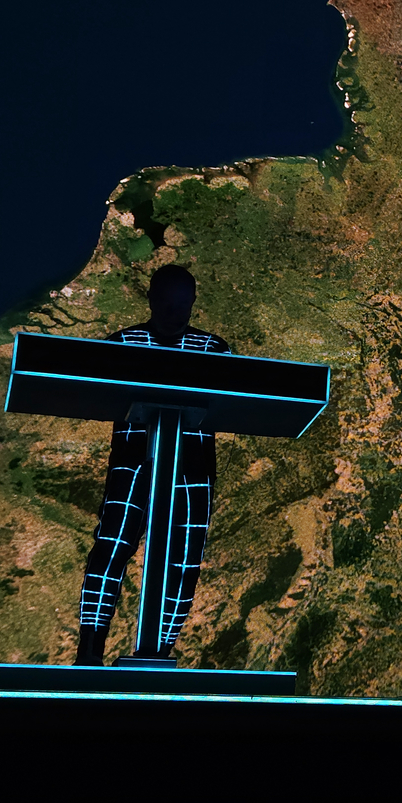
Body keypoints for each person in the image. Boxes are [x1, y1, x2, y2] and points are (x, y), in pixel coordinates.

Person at [74, 264, 233, 666]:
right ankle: (89, 652)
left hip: (193, 471)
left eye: (181, 303)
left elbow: (234, 402)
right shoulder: (124, 344)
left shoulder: (214, 351)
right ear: (150, 299)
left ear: (193, 302)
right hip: (133, 463)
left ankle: (159, 655)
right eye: (166, 302)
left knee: (184, 561)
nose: (173, 311)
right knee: (112, 547)